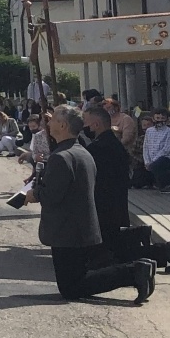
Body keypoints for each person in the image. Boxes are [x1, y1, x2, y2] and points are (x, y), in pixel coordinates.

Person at [26, 107, 154, 304]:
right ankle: (135, 270)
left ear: (63, 125)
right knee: (77, 279)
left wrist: (34, 194)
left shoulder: (61, 157)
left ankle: (134, 272)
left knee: (71, 287)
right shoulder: (81, 151)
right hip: (81, 226)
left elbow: (52, 195)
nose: (48, 124)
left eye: (53, 121)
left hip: (66, 230)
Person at [80, 103, 170, 273]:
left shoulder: (101, 147)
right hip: (111, 203)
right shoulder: (107, 143)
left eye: (86, 122)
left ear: (96, 124)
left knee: (113, 251)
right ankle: (159, 247)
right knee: (114, 247)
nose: (84, 126)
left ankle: (165, 252)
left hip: (106, 205)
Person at [142, 109, 170, 193]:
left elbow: (167, 149)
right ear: (153, 118)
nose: (160, 120)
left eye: (162, 118)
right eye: (158, 118)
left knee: (157, 165)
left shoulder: (169, 132)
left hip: (166, 158)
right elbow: (146, 147)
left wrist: (153, 161)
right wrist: (147, 161)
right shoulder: (149, 131)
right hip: (151, 159)